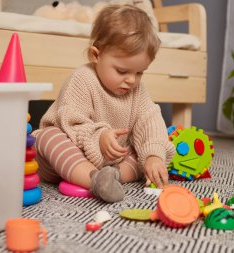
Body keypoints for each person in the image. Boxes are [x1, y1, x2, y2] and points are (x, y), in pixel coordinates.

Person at [33, 4, 175, 203]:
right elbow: (71, 122)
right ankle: (94, 179)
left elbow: (150, 121)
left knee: (140, 152)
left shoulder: (137, 91)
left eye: (140, 72)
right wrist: (99, 137)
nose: (132, 80)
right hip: (66, 158)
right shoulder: (83, 78)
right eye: (122, 71)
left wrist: (154, 156)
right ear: (96, 55)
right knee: (47, 137)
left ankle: (113, 177)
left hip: (110, 162)